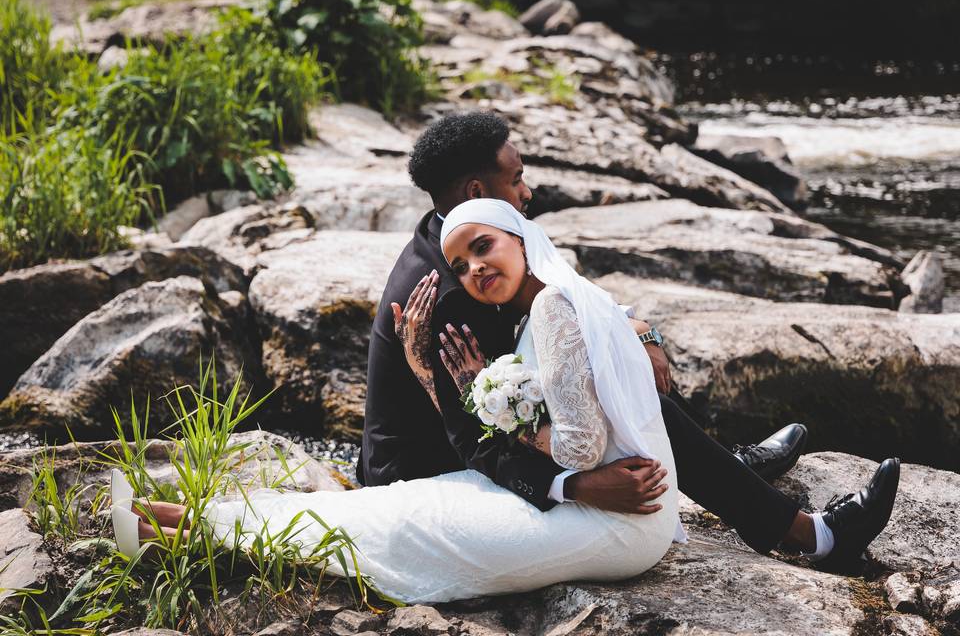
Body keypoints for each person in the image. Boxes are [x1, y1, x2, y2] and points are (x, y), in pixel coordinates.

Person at [112, 200, 900, 601]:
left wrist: (485, 406)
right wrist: (451, 386)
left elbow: (587, 443)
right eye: (461, 262)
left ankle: (182, 528)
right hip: (589, 500)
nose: (472, 270)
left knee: (410, 531)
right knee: (391, 514)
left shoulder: (553, 305)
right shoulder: (535, 300)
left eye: (483, 248)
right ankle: (182, 526)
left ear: (518, 236)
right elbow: (583, 435)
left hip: (610, 516)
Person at [360, 111, 900, 572]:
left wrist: (642, 331)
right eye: (518, 177)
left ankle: (722, 469)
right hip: (432, 468)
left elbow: (567, 310)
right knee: (627, 392)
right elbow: (473, 435)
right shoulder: (445, 296)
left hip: (491, 437)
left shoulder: (466, 238)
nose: (529, 190)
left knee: (619, 362)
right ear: (477, 191)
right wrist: (573, 487)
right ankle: (813, 534)